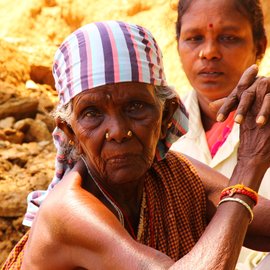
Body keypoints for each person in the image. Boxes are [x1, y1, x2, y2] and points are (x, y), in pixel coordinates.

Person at [2, 20, 270, 270]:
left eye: (135, 106)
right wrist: (249, 166)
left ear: (166, 115)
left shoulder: (175, 175)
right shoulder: (66, 211)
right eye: (92, 113)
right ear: (70, 133)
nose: (118, 131)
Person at [170, 0, 270, 268]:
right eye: (194, 38)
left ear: (259, 46)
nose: (209, 52)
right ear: (177, 44)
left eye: (228, 38)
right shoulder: (154, 132)